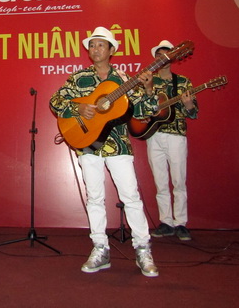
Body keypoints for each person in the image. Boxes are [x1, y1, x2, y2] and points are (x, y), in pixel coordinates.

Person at [50, 26, 159, 277]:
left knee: (131, 196)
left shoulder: (125, 79)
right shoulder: (79, 78)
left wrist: (149, 89)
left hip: (118, 144)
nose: (95, 49)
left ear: (111, 50)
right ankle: (100, 248)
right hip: (88, 145)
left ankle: (143, 249)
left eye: (101, 44)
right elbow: (55, 102)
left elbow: (143, 112)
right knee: (94, 198)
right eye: (92, 45)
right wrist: (78, 109)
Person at [146, 40, 198, 241]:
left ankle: (181, 223)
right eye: (159, 55)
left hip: (176, 134)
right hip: (154, 135)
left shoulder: (183, 82)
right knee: (160, 182)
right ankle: (166, 221)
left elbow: (193, 113)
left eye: (167, 55)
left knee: (178, 181)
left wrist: (189, 105)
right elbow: (143, 108)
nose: (163, 59)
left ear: (173, 57)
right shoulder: (149, 80)